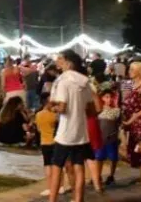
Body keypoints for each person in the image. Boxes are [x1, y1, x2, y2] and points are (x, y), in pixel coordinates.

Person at [46, 49, 93, 202]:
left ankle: (52, 199)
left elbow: (62, 107)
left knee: (57, 166)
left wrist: (51, 107)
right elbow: (92, 109)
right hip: (81, 131)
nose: (57, 61)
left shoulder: (63, 81)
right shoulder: (85, 81)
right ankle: (78, 199)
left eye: (60, 59)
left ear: (68, 62)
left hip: (65, 132)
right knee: (79, 166)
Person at [122, 61, 141, 186]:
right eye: (129, 69)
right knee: (134, 148)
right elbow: (123, 100)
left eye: (132, 69)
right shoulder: (127, 84)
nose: (129, 72)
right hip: (130, 120)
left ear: (140, 71)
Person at [95, 87, 120, 186]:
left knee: (113, 158)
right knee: (99, 158)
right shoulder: (98, 111)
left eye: (111, 97)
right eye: (107, 97)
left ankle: (111, 175)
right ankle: (97, 176)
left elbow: (119, 123)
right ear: (102, 98)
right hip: (101, 138)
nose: (109, 99)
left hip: (112, 138)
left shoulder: (116, 111)